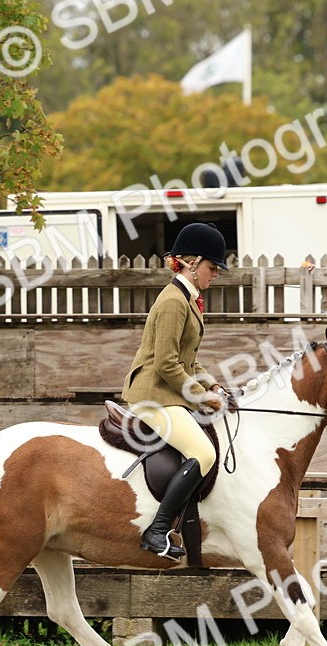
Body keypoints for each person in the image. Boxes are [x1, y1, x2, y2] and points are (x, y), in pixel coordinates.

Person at [121, 222, 230, 560]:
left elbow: (189, 360)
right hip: (152, 395)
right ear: (193, 263)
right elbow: (168, 365)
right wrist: (203, 397)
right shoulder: (172, 302)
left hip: (168, 392)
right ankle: (157, 530)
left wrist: (212, 384)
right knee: (204, 452)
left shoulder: (187, 299)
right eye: (213, 268)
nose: (215, 275)